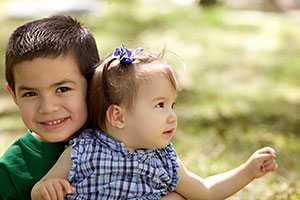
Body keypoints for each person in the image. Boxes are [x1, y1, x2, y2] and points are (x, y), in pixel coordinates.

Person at [32, 45, 278, 199]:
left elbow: (205, 191)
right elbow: (42, 186)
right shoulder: (83, 150)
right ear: (118, 116)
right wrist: (45, 189)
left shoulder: (165, 159)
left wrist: (247, 172)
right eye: (160, 105)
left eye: (172, 105)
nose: (172, 115)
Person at [0, 15, 100, 200]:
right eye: (30, 93)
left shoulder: (122, 136)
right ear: (14, 95)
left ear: (94, 84)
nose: (47, 108)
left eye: (62, 89)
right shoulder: (10, 171)